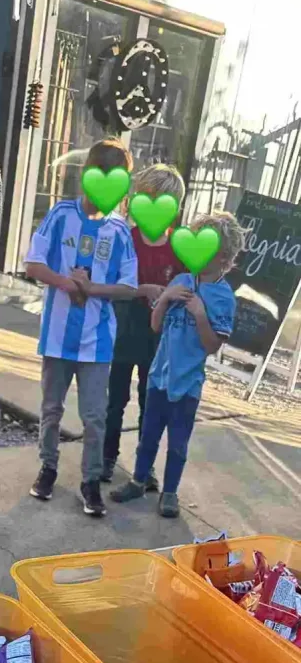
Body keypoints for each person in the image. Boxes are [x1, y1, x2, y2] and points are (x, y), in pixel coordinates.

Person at [26, 138, 138, 517]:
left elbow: (128, 287)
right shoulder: (60, 215)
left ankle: (90, 481)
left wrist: (91, 289)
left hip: (97, 344)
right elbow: (34, 265)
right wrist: (66, 283)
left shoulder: (120, 232)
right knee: (51, 408)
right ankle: (48, 467)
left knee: (95, 415)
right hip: (57, 336)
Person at [111, 212, 243, 518]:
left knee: (178, 444)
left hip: (187, 383)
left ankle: (169, 493)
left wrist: (199, 314)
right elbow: (156, 325)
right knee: (148, 435)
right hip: (159, 376)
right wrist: (168, 295)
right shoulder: (182, 281)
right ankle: (138, 480)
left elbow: (212, 345)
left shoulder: (223, 296)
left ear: (223, 257)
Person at [102, 164, 186, 487]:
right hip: (125, 327)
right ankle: (107, 458)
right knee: (116, 400)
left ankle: (144, 466)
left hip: (158, 336)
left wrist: (171, 297)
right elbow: (111, 283)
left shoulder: (179, 249)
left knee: (150, 403)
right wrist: (144, 290)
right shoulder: (127, 239)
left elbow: (186, 286)